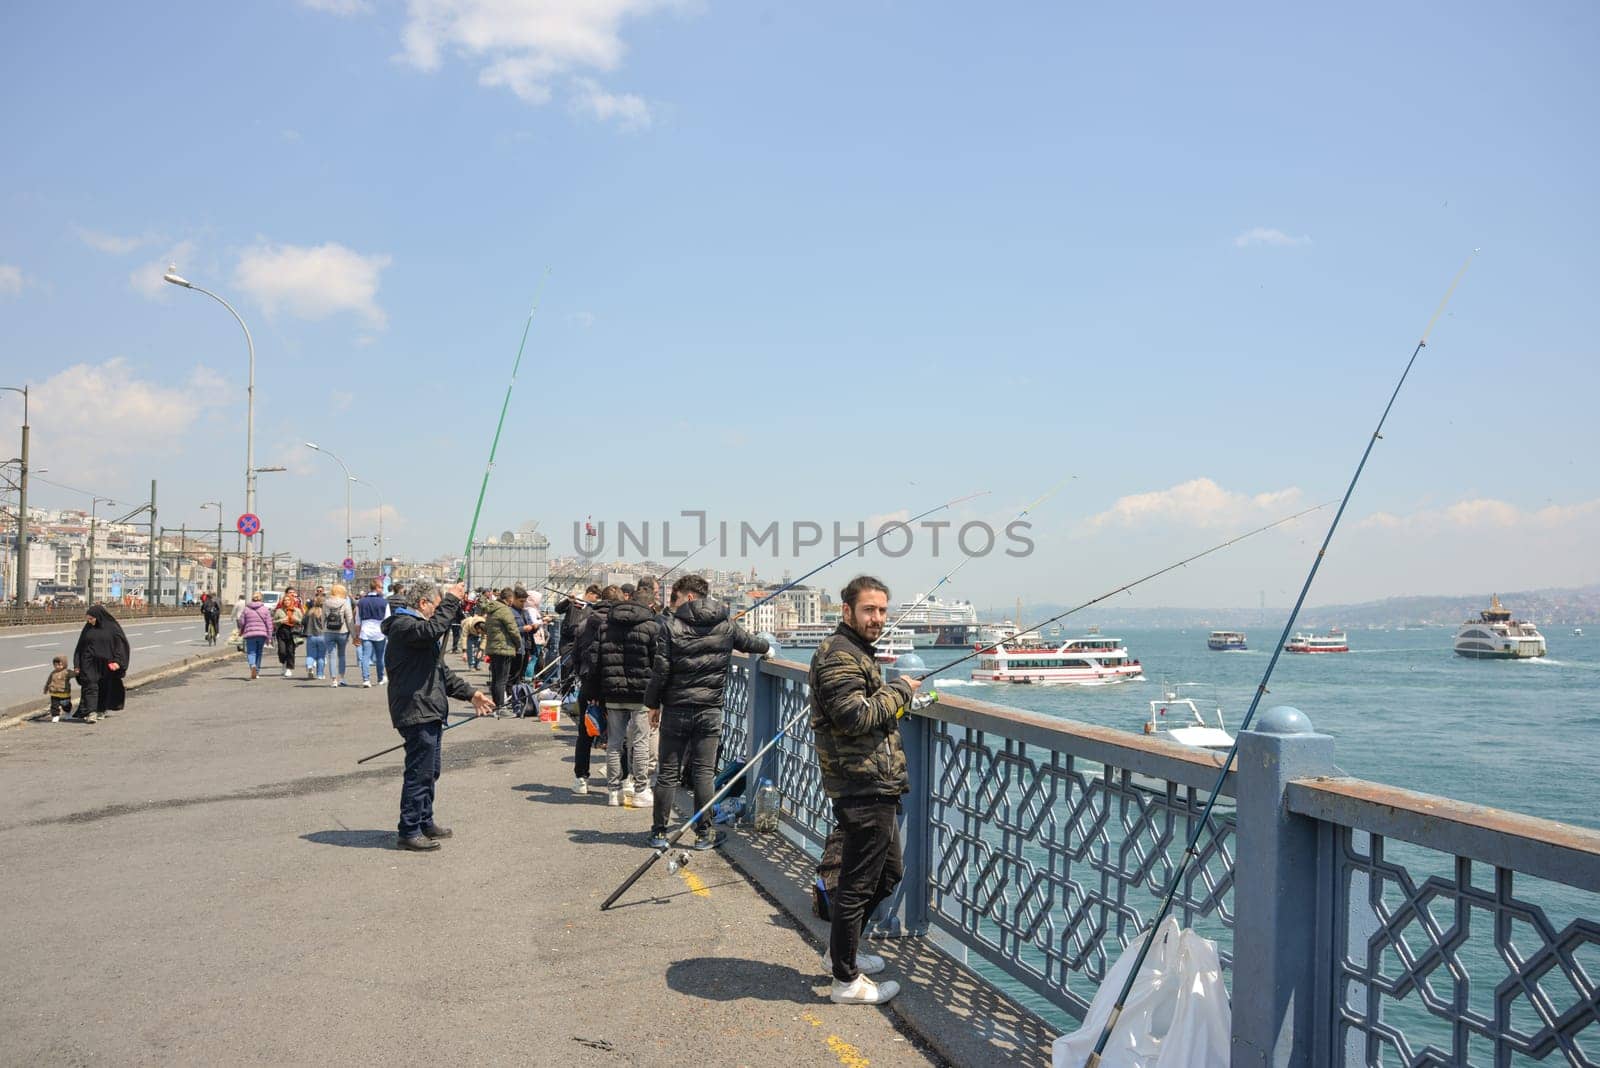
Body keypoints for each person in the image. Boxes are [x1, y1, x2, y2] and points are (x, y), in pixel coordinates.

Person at [808, 575, 919, 1006]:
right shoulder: (840, 656)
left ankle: (840, 952)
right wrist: (899, 691)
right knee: (858, 882)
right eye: (869, 610)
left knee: (887, 874)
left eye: (882, 611)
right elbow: (854, 716)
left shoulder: (854, 652)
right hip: (861, 784)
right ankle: (845, 981)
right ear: (848, 611)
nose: (877, 618)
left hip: (874, 782)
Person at [644, 574, 770, 848]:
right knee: (703, 773)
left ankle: (659, 833)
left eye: (675, 599)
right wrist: (768, 648)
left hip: (676, 709)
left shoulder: (671, 626)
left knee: (667, 773)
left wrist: (653, 704)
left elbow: (661, 670)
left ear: (689, 597)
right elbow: (750, 643)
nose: (672, 605)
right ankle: (704, 834)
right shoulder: (725, 624)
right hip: (710, 710)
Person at [381, 576, 496, 851]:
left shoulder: (417, 629)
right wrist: (452, 599)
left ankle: (424, 820)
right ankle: (408, 830)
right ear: (423, 603)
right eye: (435, 604)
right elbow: (434, 630)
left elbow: (439, 672)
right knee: (419, 772)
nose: (437, 610)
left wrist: (471, 693)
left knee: (430, 771)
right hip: (415, 707)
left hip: (428, 707)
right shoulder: (405, 626)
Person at [585, 584, 665, 808]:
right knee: (639, 742)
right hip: (641, 694)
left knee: (614, 743)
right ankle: (640, 790)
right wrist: (657, 696)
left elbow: (595, 660)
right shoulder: (651, 627)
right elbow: (658, 664)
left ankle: (614, 791)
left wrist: (595, 692)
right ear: (648, 605)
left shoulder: (606, 625)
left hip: (612, 692)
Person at [570, 585, 619, 794]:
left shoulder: (583, 624)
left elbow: (575, 656)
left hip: (588, 686)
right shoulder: (617, 626)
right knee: (618, 735)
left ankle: (581, 778)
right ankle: (618, 784)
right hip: (613, 686)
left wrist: (582, 676)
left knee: (585, 732)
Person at [72, 605, 131, 724]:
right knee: (90, 686)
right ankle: (91, 712)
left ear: (98, 617)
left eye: (91, 619)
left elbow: (120, 645)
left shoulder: (112, 628)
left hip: (106, 664)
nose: (89, 621)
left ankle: (101, 709)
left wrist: (118, 661)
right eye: (87, 619)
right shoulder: (88, 628)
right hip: (88, 663)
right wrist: (77, 664)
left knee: (104, 687)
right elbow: (80, 646)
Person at [481, 586, 522, 716]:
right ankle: (500, 708)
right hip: (504, 648)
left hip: (493, 647)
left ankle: (495, 706)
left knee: (495, 679)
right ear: (509, 598)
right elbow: (513, 630)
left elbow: (486, 627)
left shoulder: (492, 609)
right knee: (502, 680)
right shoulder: (505, 610)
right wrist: (518, 643)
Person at [355, 578, 390, 687]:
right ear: (377, 588)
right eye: (381, 587)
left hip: (365, 631)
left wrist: (357, 635)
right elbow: (387, 619)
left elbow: (357, 620)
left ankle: (366, 679)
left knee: (366, 656)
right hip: (379, 632)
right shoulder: (384, 602)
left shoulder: (361, 602)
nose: (382, 589)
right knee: (380, 657)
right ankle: (380, 678)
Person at [323, 583, 353, 687]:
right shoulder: (345, 602)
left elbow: (323, 618)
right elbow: (349, 619)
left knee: (331, 656)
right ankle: (342, 678)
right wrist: (354, 635)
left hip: (329, 631)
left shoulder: (326, 602)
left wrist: (323, 629)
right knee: (341, 655)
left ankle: (334, 680)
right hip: (342, 632)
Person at [238, 592, 273, 680]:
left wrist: (241, 631)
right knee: (259, 652)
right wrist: (269, 637)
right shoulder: (265, 609)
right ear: (261, 599)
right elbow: (269, 624)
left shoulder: (246, 609)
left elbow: (242, 622)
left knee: (251, 652)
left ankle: (252, 665)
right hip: (261, 634)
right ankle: (256, 671)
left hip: (250, 634)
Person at [274, 587, 302, 678]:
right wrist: (281, 620)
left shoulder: (296, 610)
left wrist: (295, 619)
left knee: (290, 651)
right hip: (282, 631)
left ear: (291, 601)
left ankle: (289, 669)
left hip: (293, 632)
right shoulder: (279, 611)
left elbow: (302, 621)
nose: (286, 602)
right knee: (282, 651)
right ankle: (283, 663)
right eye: (285, 600)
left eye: (288, 600)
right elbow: (273, 622)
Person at [44, 655, 77, 722]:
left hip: (64, 693)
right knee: (54, 706)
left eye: (59, 665)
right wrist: (46, 688)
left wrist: (76, 672)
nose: (57, 667)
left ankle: (67, 713)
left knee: (66, 705)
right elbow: (49, 681)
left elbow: (73, 674)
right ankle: (55, 716)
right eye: (55, 665)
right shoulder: (53, 673)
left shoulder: (67, 672)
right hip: (54, 693)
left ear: (64, 664)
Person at [303, 595, 328, 680]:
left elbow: (303, 622)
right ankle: (320, 675)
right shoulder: (325, 612)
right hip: (322, 636)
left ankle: (309, 665)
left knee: (310, 654)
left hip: (311, 635)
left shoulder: (310, 612)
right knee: (321, 656)